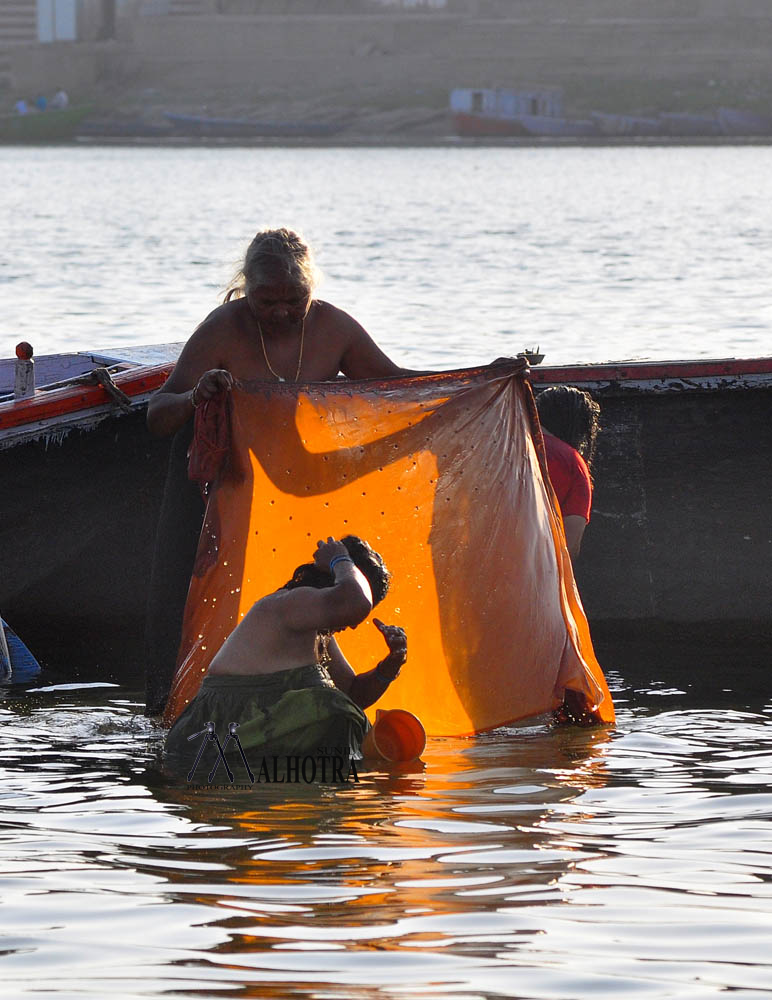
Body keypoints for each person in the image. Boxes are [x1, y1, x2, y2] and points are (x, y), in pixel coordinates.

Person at [144, 227, 416, 716]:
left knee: (300, 591)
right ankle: (177, 708)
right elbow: (157, 414)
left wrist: (487, 374)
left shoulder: (334, 330)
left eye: (296, 299)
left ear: (312, 289)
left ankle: (294, 700)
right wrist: (196, 395)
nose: (283, 312)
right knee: (194, 597)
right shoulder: (223, 329)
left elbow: (400, 388)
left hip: (296, 484)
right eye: (267, 300)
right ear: (247, 288)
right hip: (218, 486)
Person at [164, 535, 407, 760]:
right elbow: (355, 602)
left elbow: (352, 693)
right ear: (336, 579)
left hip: (248, 738)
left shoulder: (316, 629)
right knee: (335, 710)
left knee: (341, 710)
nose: (353, 624)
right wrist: (339, 558)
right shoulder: (290, 604)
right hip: (219, 735)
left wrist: (390, 664)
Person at [536, 385, 600, 560]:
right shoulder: (572, 463)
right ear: (578, 425)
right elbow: (569, 545)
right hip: (536, 573)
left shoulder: (504, 448)